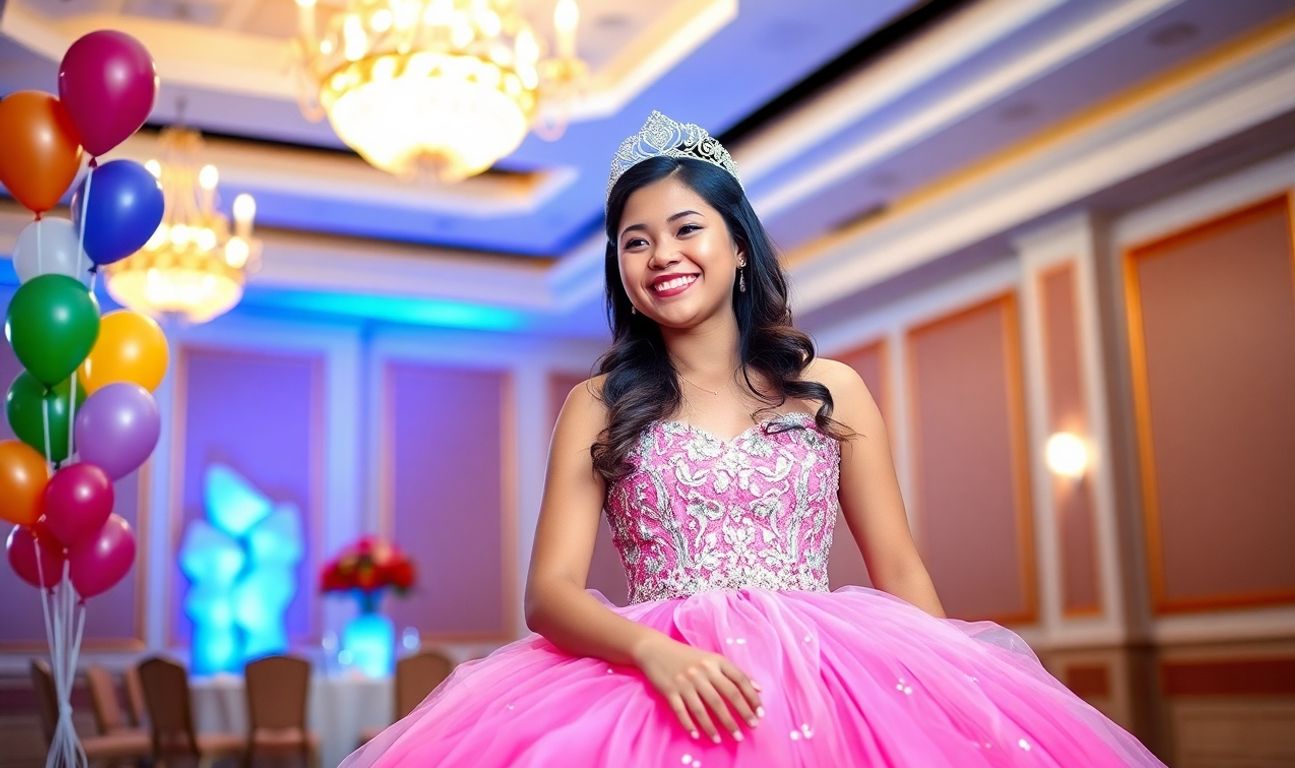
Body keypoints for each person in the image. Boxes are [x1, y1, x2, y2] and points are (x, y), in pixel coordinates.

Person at [341, 112, 1166, 767]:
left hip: (833, 676)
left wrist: (953, 691)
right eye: (636, 241)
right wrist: (652, 655)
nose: (662, 254)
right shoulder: (598, 403)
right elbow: (547, 595)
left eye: (686, 228)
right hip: (647, 685)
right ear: (619, 271)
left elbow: (901, 566)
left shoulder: (830, 390)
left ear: (739, 248)